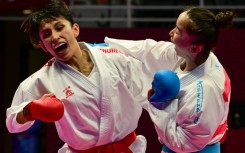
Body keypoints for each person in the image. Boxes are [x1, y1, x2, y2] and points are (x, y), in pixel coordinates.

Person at [5, 0, 154, 152]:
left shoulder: (115, 58)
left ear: (75, 29)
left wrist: (172, 132)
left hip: (127, 148)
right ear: (43, 46)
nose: (55, 37)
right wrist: (32, 110)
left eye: (59, 27)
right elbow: (12, 123)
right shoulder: (41, 79)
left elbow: (149, 96)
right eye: (47, 34)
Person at [104, 7, 234, 152]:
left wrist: (161, 106)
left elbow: (184, 144)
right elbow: (150, 50)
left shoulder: (205, 91)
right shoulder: (196, 55)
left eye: (178, 31)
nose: (171, 33)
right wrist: (109, 45)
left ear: (194, 48)